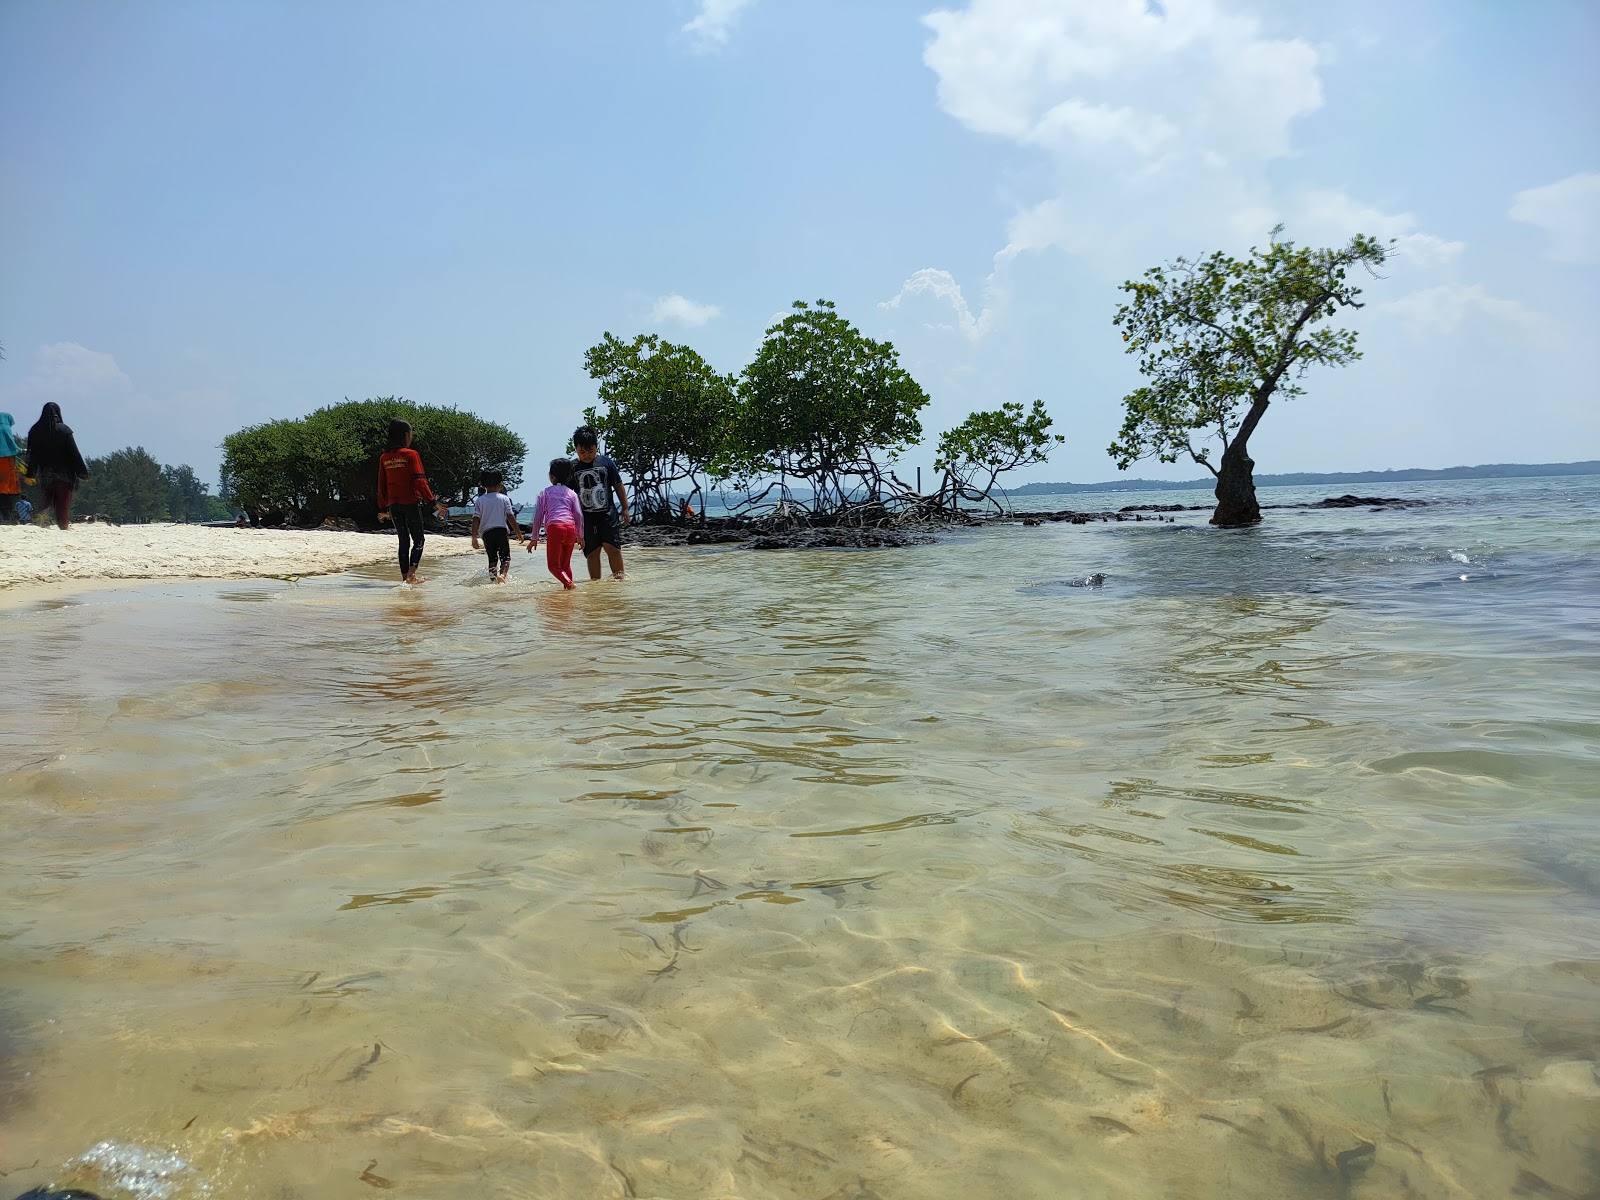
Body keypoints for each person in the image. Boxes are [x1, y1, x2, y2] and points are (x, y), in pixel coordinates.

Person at [375, 419, 447, 584]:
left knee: (403, 540)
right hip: (410, 502)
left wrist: (382, 507)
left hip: (393, 504)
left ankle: (404, 577)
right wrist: (432, 502)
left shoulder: (384, 457)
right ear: (406, 435)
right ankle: (411, 576)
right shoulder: (411, 454)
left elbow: (381, 485)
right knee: (419, 540)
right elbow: (419, 481)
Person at [571, 425, 629, 580]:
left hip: (607, 514)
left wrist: (625, 508)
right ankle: (595, 586)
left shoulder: (606, 462)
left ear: (597, 446)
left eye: (590, 451)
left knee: (613, 548)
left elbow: (618, 485)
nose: (587, 455)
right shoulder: (572, 467)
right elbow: (567, 496)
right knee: (592, 552)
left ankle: (620, 580)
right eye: (582, 452)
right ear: (575, 448)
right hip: (585, 518)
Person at [23, 403, 89, 530]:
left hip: (45, 474)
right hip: (65, 475)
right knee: (62, 504)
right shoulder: (64, 430)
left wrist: (29, 474)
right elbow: (74, 453)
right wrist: (82, 473)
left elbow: (32, 455)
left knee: (47, 501)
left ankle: (42, 522)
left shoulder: (35, 430)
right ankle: (63, 525)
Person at [525, 457, 584, 589]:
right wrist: (580, 535)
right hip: (570, 529)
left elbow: (538, 517)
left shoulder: (544, 493)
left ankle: (570, 585)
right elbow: (578, 515)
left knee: (553, 566)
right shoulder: (572, 493)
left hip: (556, 528)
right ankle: (568, 595)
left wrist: (534, 538)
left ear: (551, 476)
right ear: (569, 477)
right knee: (565, 565)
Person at [470, 468, 522, 583]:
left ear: (482, 485)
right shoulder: (504, 499)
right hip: (501, 531)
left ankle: (493, 580)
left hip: (487, 533)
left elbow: (476, 518)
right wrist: (518, 533)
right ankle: (502, 575)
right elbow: (510, 516)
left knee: (492, 559)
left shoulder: (480, 500)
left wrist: (474, 537)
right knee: (505, 557)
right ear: (500, 485)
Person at [0, 412, 23, 524]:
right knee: (6, 489)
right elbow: (12, 445)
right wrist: (21, 451)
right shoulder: (4, 428)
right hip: (4, 462)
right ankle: (7, 517)